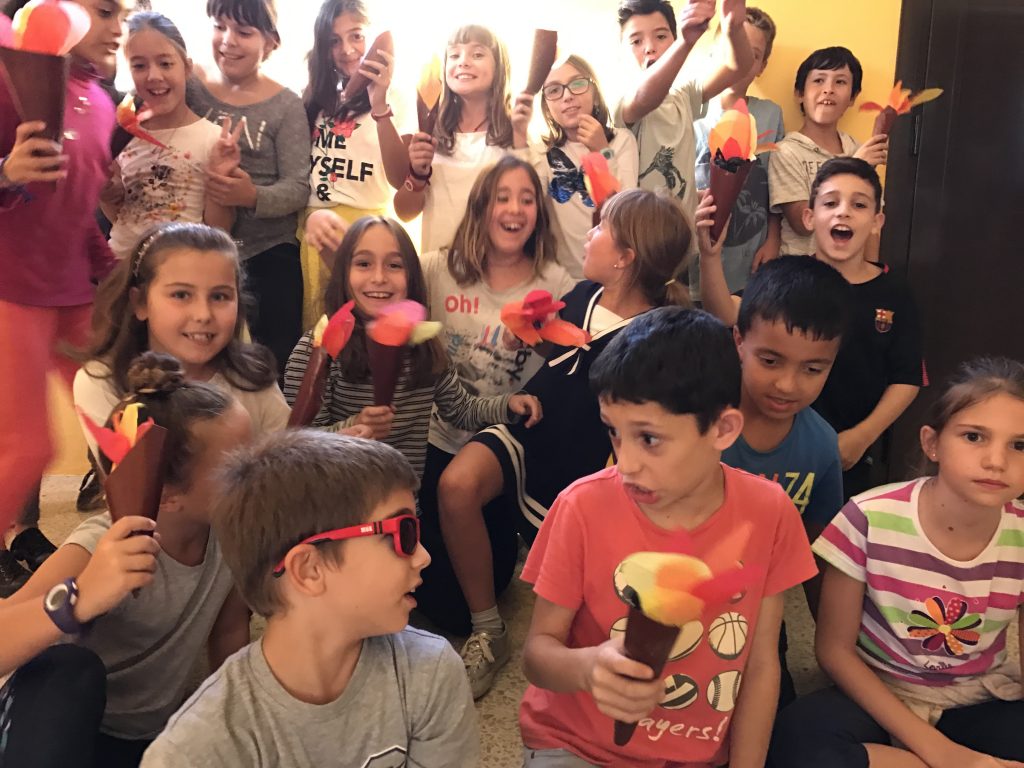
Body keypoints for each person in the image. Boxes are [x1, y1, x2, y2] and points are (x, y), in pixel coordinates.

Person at [422, 188, 692, 696]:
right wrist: (522, 333)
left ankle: (576, 642)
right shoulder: (583, 294)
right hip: (533, 423)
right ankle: (488, 628)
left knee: (582, 567)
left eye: (601, 227)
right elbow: (555, 343)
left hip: (588, 458)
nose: (588, 234)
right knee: (456, 486)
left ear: (625, 257)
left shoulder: (657, 333)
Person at [519, 306, 816, 767]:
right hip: (578, 745)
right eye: (614, 433)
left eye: (649, 439)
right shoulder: (582, 507)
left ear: (722, 429)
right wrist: (588, 667)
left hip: (698, 755)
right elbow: (538, 654)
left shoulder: (769, 512)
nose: (625, 463)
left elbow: (760, 666)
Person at [140, 430, 480, 766]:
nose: (423, 556)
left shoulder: (430, 674)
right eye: (403, 533)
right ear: (309, 569)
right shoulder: (194, 751)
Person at [0, 352, 253, 768]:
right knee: (72, 667)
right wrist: (80, 598)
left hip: (144, 738)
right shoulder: (96, 545)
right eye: (238, 467)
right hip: (58, 727)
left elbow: (228, 634)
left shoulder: (231, 539)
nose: (259, 473)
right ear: (168, 494)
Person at [770, 356, 1024, 767]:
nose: (996, 461)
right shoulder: (868, 517)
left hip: (978, 695)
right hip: (878, 692)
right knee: (794, 739)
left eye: (1019, 445)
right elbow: (834, 651)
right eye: (974, 437)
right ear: (932, 443)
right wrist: (945, 755)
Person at [0, 0, 129, 595]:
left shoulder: (101, 102)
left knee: (126, 420)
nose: (118, 26)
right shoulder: (8, 80)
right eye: (105, 11)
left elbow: (76, 216)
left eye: (124, 12)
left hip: (73, 292)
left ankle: (137, 550)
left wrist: (118, 273)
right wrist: (6, 172)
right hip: (13, 290)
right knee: (29, 448)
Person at [282, 215, 542, 479]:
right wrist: (354, 427)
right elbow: (295, 443)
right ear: (343, 273)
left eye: (394, 265)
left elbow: (461, 409)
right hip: (340, 496)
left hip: (403, 494)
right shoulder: (316, 349)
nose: (379, 277)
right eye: (363, 264)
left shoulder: (424, 347)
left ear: (412, 277)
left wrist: (508, 404)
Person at [75, 222, 290, 459]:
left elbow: (284, 462)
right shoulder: (103, 380)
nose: (203, 314)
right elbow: (130, 476)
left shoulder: (251, 376)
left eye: (219, 296)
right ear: (140, 303)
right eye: (181, 295)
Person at [187, 0, 310, 376]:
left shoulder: (286, 105)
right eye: (219, 26)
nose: (228, 40)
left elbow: (298, 187)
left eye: (243, 32)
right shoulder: (193, 88)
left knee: (271, 365)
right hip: (199, 246)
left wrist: (251, 196)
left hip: (268, 252)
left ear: (270, 43)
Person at [615, 0, 753, 274]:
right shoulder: (623, 101)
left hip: (681, 243)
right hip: (638, 248)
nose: (649, 47)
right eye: (636, 41)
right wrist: (685, 43)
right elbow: (645, 98)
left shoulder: (683, 96)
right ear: (622, 50)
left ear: (673, 37)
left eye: (661, 36)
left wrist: (734, 28)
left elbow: (738, 67)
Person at [299, 0, 409, 329]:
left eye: (357, 36)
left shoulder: (397, 97)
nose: (347, 50)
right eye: (334, 40)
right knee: (319, 331)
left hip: (367, 231)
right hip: (315, 229)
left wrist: (379, 103)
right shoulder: (314, 98)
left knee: (363, 330)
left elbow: (401, 178)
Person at [101, 12, 238, 261]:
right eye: (139, 66)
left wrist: (219, 178)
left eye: (165, 64)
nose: (154, 76)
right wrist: (106, 191)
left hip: (183, 266)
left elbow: (220, 229)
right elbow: (119, 217)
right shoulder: (119, 134)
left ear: (187, 67)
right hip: (121, 265)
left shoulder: (213, 139)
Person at [511, 54, 639, 278]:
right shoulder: (541, 151)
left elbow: (624, 211)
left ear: (595, 94)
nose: (567, 96)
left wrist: (601, 152)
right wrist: (518, 136)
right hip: (564, 280)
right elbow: (526, 199)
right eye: (554, 90)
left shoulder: (622, 140)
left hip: (615, 274)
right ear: (547, 107)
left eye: (577, 84)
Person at [393, 24, 515, 254]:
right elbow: (405, 213)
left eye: (477, 54)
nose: (463, 62)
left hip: (495, 266)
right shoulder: (429, 132)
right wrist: (418, 174)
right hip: (437, 265)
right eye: (454, 55)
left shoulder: (516, 135)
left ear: (499, 66)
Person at [693, 6, 785, 293]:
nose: (740, 60)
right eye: (732, 48)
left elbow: (776, 185)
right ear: (713, 52)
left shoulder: (770, 114)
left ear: (762, 66)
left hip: (749, 266)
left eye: (752, 55)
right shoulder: (690, 113)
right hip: (693, 261)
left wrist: (773, 239)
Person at [768, 46, 887, 257]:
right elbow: (803, 224)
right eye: (818, 80)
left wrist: (872, 272)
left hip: (849, 272)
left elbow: (872, 226)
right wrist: (855, 168)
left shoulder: (857, 149)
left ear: (852, 97)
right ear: (800, 94)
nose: (828, 89)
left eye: (840, 82)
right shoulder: (787, 152)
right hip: (803, 271)